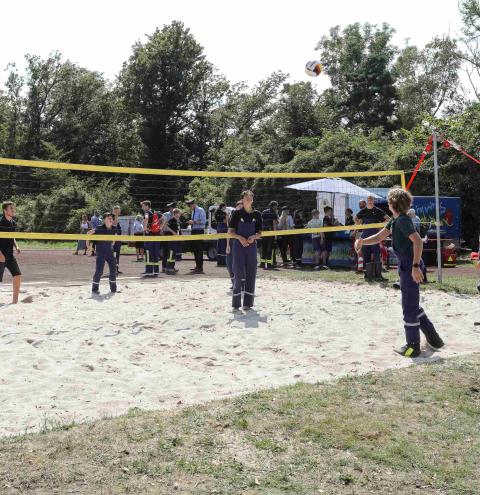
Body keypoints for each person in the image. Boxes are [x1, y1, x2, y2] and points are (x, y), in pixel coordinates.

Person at [355, 188, 444, 357]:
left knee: (408, 307)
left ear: (392, 204)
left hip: (411, 265)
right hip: (407, 264)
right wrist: (362, 242)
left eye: (389, 200)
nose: (387, 202)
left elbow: (418, 242)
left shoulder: (402, 221)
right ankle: (434, 339)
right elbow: (380, 236)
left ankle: (413, 347)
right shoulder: (395, 220)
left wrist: (416, 266)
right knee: (412, 304)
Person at [228, 190, 262, 310]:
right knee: (238, 273)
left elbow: (260, 233)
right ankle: (236, 303)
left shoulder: (257, 214)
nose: (249, 198)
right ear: (242, 199)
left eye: (251, 197)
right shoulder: (236, 213)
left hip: (252, 247)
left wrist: (254, 237)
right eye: (247, 197)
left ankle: (247, 303)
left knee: (251, 273)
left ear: (253, 199)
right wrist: (240, 237)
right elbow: (231, 232)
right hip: (239, 246)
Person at [355, 195, 390, 281]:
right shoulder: (363, 211)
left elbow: (388, 219)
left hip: (375, 235)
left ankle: (378, 275)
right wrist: (359, 224)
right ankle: (367, 274)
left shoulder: (377, 210)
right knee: (366, 254)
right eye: (368, 200)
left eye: (371, 200)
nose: (370, 201)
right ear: (367, 201)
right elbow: (355, 218)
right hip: (365, 234)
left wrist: (381, 227)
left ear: (373, 201)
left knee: (377, 254)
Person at [88, 212, 117, 294]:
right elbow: (88, 234)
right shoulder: (99, 228)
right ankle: (95, 289)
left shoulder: (114, 228)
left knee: (113, 270)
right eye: (109, 218)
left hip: (110, 252)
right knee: (99, 271)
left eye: (112, 218)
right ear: (104, 220)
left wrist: (113, 243)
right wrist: (89, 247)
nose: (111, 220)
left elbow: (115, 237)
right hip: (101, 252)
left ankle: (113, 289)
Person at [0, 201, 22, 304]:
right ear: (5, 210)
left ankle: (14, 302)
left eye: (14, 208)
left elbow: (12, 237)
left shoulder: (13, 222)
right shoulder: (0, 222)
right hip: (1, 255)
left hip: (10, 255)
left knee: (17, 275)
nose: (13, 210)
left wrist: (16, 246)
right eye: (11, 209)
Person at [226, 200, 243, 290]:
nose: (240, 207)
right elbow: (228, 232)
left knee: (240, 265)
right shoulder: (231, 216)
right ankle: (234, 283)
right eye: (238, 206)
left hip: (241, 244)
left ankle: (241, 284)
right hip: (232, 243)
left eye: (242, 206)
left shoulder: (247, 217)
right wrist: (227, 245)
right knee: (229, 264)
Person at [142, 200, 162, 278]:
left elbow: (146, 218)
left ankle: (149, 271)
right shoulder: (156, 212)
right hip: (156, 235)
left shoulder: (147, 213)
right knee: (155, 253)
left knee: (148, 253)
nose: (142, 207)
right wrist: (160, 227)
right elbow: (165, 218)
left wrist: (144, 228)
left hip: (149, 235)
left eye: (143, 206)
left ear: (147, 206)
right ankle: (156, 271)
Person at [186, 199, 206, 274]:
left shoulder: (201, 210)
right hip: (194, 231)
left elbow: (203, 221)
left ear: (194, 204)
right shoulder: (193, 211)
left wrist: (193, 222)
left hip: (199, 231)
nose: (189, 206)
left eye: (190, 205)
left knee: (199, 250)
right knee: (195, 249)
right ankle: (197, 266)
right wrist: (191, 223)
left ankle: (200, 268)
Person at [260, 201, 279, 269]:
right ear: (274, 206)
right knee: (269, 249)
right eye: (276, 206)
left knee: (263, 248)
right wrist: (275, 234)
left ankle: (262, 263)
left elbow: (261, 222)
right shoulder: (274, 213)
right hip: (270, 232)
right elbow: (275, 224)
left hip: (264, 232)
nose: (277, 207)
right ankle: (268, 264)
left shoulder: (264, 211)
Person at [163, 208, 182, 275]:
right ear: (176, 213)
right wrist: (173, 232)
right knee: (171, 253)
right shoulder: (171, 219)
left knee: (173, 254)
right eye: (179, 213)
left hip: (175, 239)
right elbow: (165, 226)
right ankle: (169, 268)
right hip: (171, 239)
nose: (180, 215)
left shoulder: (177, 220)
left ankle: (172, 267)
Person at [112, 206, 122, 274]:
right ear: (115, 210)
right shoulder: (112, 217)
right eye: (118, 210)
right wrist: (115, 215)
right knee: (114, 254)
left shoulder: (116, 218)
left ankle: (116, 269)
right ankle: (113, 269)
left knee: (117, 255)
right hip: (114, 240)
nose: (119, 212)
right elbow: (114, 225)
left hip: (118, 240)